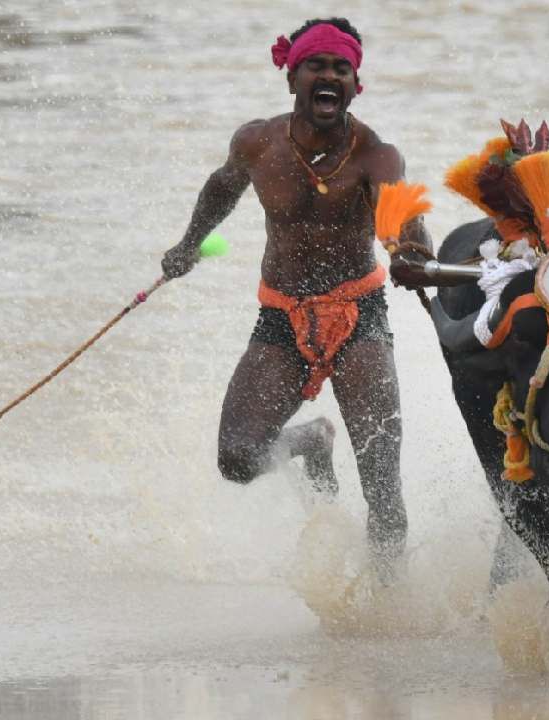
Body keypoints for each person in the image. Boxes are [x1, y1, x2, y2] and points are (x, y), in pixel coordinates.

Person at [161, 17, 427, 571]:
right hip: (281, 320)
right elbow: (222, 188)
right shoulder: (256, 143)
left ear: (356, 85)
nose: (329, 76)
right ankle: (309, 442)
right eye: (316, 66)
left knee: (381, 485)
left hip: (359, 318)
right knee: (236, 458)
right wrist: (188, 245)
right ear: (292, 77)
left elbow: (400, 217)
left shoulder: (377, 155)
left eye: (341, 68)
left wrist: (410, 251)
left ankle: (389, 614)